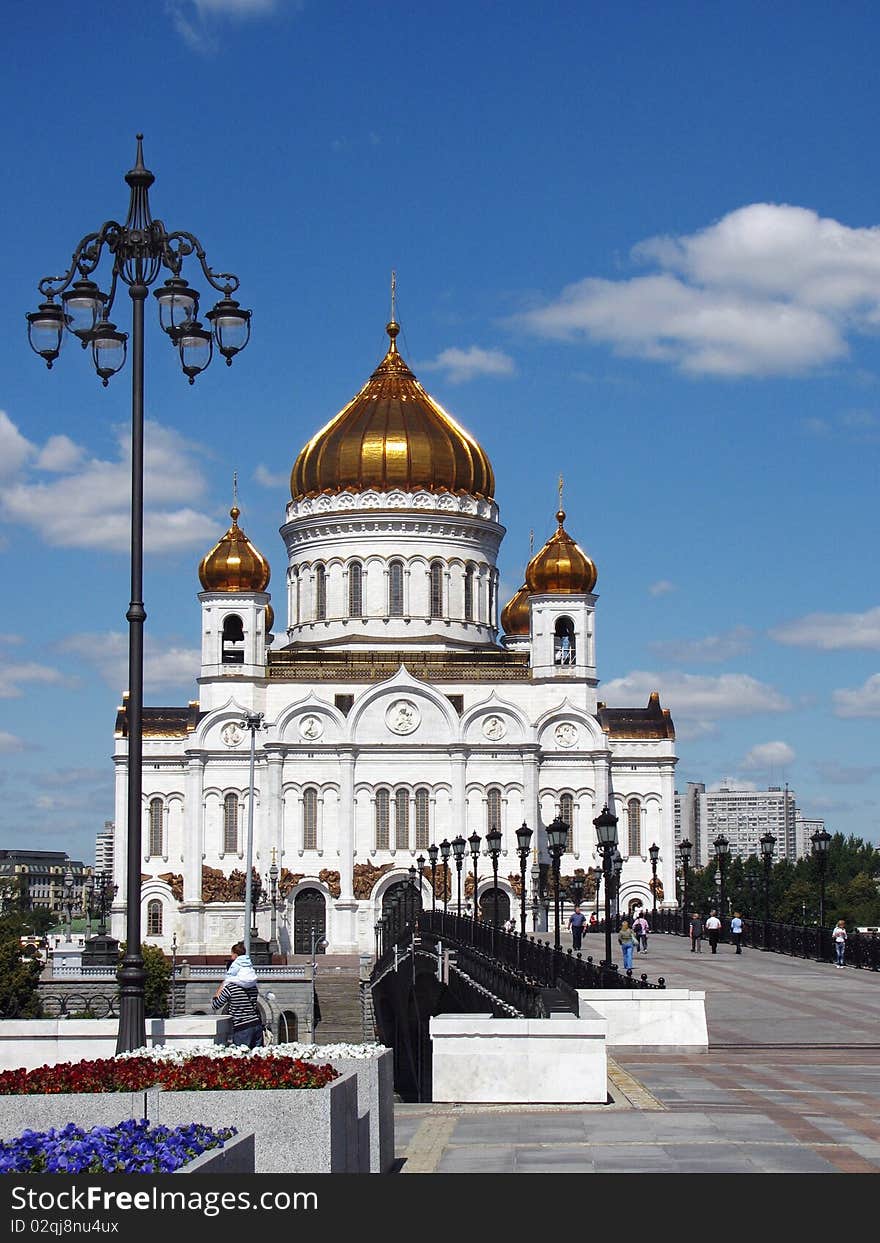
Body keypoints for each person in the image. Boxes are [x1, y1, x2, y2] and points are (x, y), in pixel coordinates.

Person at [212, 941, 263, 1048]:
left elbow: (215, 1005)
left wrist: (221, 987)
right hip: (256, 1025)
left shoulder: (231, 988)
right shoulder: (253, 987)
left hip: (242, 1028)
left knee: (242, 1060)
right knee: (258, 1059)